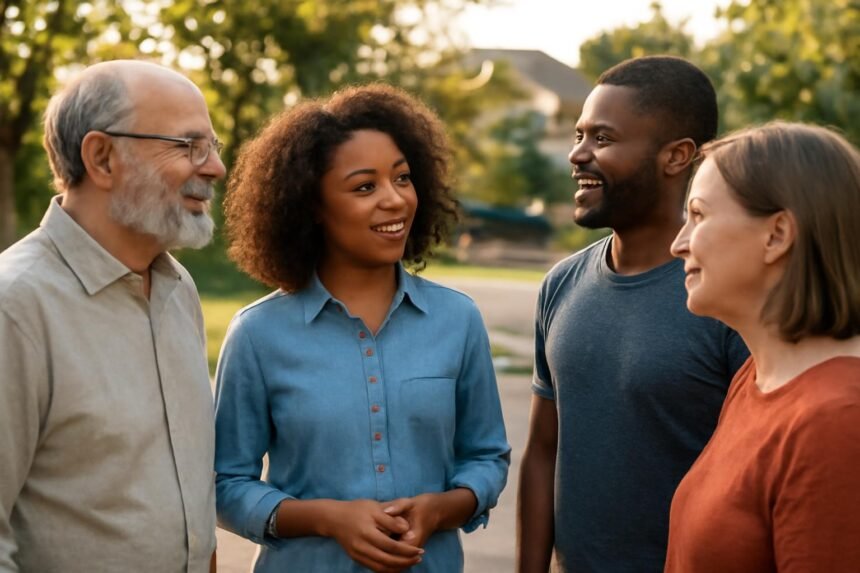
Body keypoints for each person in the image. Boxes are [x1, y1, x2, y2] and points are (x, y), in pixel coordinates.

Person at [214, 84, 510, 573]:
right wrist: (327, 519)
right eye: (364, 187)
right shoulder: (258, 334)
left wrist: (442, 508)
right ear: (312, 206)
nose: (395, 201)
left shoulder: (458, 320)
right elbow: (226, 483)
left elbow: (486, 456)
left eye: (402, 178)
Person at [516, 56, 749, 573]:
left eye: (603, 138)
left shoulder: (727, 299)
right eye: (580, 135)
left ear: (676, 156)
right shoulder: (561, 284)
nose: (577, 154)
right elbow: (543, 451)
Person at [0, 60, 225, 572]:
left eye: (212, 147)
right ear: (102, 158)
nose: (214, 168)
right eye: (189, 146)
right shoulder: (14, 307)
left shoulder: (177, 290)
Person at [665, 121, 860, 572]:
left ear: (777, 235)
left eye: (698, 215)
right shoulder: (755, 378)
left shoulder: (836, 422)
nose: (679, 244)